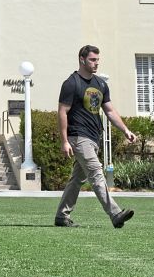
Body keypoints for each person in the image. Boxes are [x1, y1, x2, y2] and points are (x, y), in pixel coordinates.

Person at [55, 45, 136, 228]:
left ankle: (62, 216)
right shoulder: (71, 83)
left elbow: (109, 110)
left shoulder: (100, 84)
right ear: (82, 60)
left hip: (94, 137)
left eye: (98, 60)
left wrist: (125, 129)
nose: (96, 63)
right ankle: (115, 213)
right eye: (92, 60)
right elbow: (62, 112)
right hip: (78, 136)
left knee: (77, 179)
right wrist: (64, 141)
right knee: (96, 173)